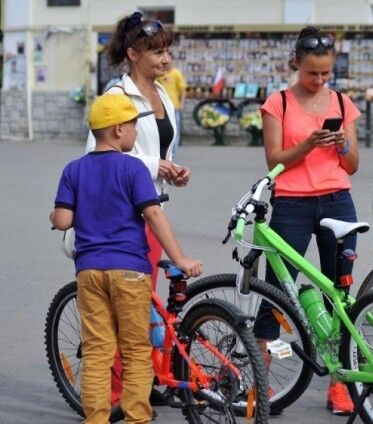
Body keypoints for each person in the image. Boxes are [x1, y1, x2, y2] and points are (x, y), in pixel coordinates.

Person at [51, 94, 203, 424]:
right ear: (119, 129)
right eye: (134, 125)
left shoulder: (73, 170)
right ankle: (136, 419)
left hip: (89, 272)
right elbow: (152, 213)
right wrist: (180, 257)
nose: (137, 131)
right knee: (135, 350)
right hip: (130, 271)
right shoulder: (133, 167)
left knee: (97, 351)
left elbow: (62, 220)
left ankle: (96, 419)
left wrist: (61, 214)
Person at [86, 11, 190, 406]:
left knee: (144, 303)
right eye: (156, 52)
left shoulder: (162, 95)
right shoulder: (115, 99)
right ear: (132, 53)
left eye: (167, 51)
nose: (165, 59)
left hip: (150, 210)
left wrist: (170, 170)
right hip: (119, 217)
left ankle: (141, 382)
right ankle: (113, 396)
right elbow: (97, 155)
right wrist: (153, 166)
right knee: (123, 308)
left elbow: (157, 151)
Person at [258, 25, 361, 415]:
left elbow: (352, 165)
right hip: (293, 204)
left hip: (338, 200)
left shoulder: (341, 102)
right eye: (311, 73)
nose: (319, 80)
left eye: (325, 73)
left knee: (341, 291)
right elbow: (273, 160)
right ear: (296, 64)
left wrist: (342, 144)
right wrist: (307, 145)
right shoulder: (278, 103)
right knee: (276, 290)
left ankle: (340, 384)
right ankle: (261, 377)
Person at [157, 52, 187, 152]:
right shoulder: (160, 73)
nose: (167, 62)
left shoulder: (176, 73)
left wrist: (182, 102)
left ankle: (173, 152)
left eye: (169, 60)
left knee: (175, 130)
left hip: (174, 106)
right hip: (161, 106)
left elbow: (183, 89)